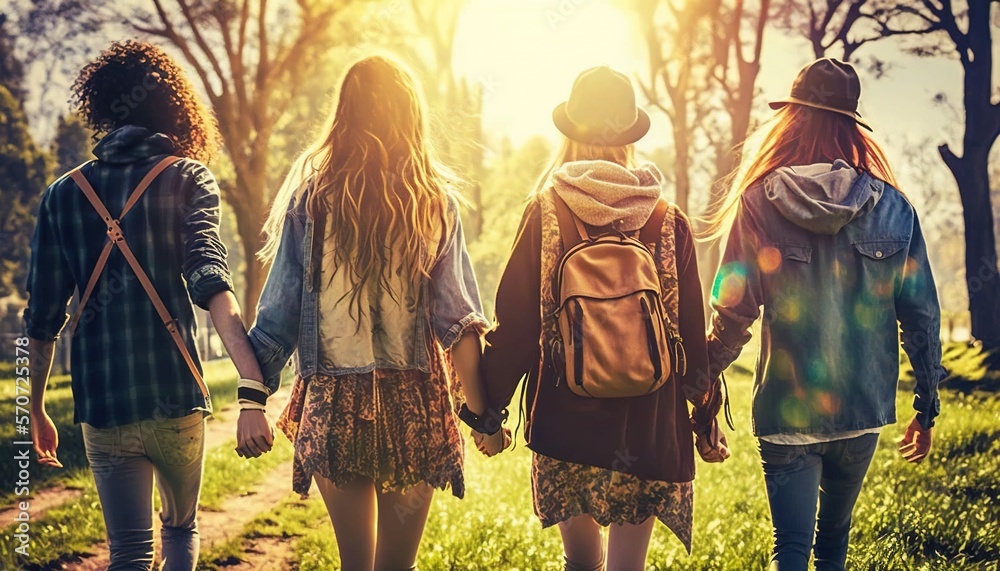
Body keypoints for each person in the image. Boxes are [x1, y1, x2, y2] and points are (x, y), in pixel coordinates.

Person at [242, 55, 502, 571]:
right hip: (415, 407)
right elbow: (459, 320)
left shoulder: (310, 199)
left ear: (344, 113)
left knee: (354, 565)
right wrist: (482, 416)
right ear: (412, 115)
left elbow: (278, 315)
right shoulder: (433, 201)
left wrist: (254, 398)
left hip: (336, 404)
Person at [24, 40, 269, 571]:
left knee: (129, 554)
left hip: (103, 401)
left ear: (101, 106)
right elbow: (210, 281)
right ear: (174, 107)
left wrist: (36, 404)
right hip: (175, 395)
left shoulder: (61, 196)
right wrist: (251, 387)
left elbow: (41, 318)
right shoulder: (187, 177)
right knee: (181, 530)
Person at [478, 66, 729, 571]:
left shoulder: (547, 211)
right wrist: (703, 419)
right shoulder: (667, 219)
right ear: (629, 136)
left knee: (581, 563)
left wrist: (489, 413)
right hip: (649, 422)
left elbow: (520, 329)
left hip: (568, 417)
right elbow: (687, 334)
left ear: (570, 131)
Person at [703, 58, 946, 570]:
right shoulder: (895, 208)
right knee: (832, 547)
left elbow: (732, 313)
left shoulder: (758, 202)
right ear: (852, 126)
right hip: (861, 408)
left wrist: (697, 388)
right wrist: (926, 407)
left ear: (793, 120)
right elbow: (921, 317)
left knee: (789, 549)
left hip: (786, 409)